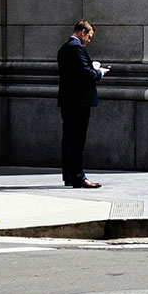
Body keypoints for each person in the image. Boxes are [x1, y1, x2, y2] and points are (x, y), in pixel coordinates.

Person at [57, 19, 109, 188]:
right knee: (77, 140)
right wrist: (99, 72)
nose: (89, 40)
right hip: (78, 102)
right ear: (82, 32)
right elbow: (85, 74)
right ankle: (78, 177)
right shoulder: (76, 48)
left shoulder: (64, 48)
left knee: (69, 139)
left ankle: (69, 176)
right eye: (89, 36)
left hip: (67, 100)